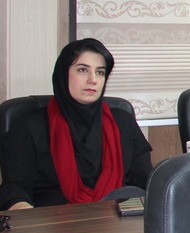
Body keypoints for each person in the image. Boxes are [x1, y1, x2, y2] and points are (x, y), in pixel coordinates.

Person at [0, 38, 152, 210]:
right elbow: (15, 190)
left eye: (100, 72)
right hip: (54, 221)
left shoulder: (123, 122)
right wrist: (27, 215)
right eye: (82, 70)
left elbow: (146, 182)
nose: (93, 80)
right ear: (63, 74)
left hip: (117, 219)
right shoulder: (29, 126)